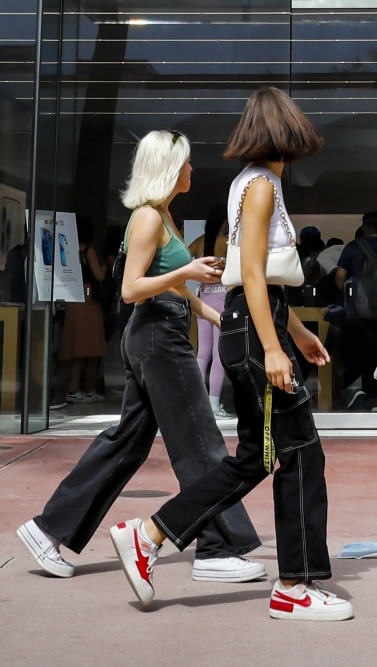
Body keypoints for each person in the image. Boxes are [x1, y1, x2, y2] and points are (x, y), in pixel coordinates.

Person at [107, 87, 351, 623]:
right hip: (254, 331)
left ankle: (148, 535)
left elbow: (251, 275)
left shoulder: (249, 183)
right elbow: (254, 277)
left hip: (253, 322)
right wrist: (273, 346)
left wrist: (294, 334)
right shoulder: (261, 186)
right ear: (286, 135)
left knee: (261, 457)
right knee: (298, 454)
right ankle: (293, 586)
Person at [16, 131, 266, 586]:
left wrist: (212, 313)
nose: (193, 170)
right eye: (188, 163)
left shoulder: (162, 215)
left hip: (156, 332)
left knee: (126, 444)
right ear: (170, 167)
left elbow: (169, 285)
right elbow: (131, 289)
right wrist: (188, 270)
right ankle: (215, 548)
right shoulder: (149, 218)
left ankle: (47, 529)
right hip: (157, 337)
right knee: (199, 440)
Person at [333, 212, 377, 408]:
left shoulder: (353, 247)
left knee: (360, 350)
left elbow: (339, 279)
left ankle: (363, 391)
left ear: (365, 227)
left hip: (360, 311)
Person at [60, 226, 110, 405]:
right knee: (87, 346)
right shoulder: (89, 251)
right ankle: (79, 389)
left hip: (72, 297)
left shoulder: (68, 249)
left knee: (76, 346)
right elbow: (99, 276)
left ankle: (77, 388)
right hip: (87, 298)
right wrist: (104, 268)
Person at [194, 203, 230, 418]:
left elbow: (183, 261)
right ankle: (214, 405)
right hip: (223, 297)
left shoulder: (200, 242)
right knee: (219, 354)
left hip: (203, 297)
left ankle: (198, 403)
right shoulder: (226, 242)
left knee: (202, 354)